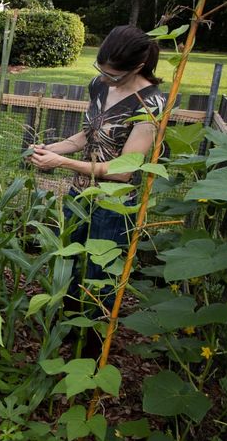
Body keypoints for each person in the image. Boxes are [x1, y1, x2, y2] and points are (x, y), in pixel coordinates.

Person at [28, 25, 165, 321]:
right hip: (80, 194)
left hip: (113, 205)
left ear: (138, 67)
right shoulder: (100, 85)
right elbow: (88, 136)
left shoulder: (150, 105)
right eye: (100, 69)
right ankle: (65, 326)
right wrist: (49, 148)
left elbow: (123, 172)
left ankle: (92, 341)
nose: (105, 78)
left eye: (113, 74)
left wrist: (61, 163)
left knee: (98, 275)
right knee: (68, 262)